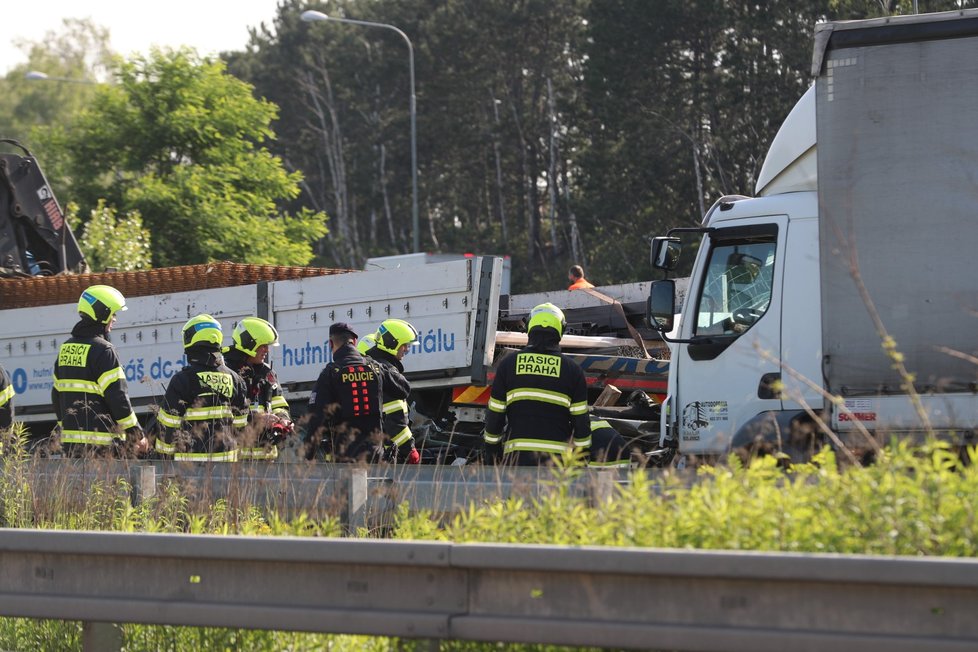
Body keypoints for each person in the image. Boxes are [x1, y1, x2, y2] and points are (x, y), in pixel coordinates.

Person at [483, 303, 591, 465]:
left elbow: (495, 416)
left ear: (529, 328)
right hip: (556, 464)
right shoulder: (572, 370)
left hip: (517, 461)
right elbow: (581, 422)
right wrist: (581, 462)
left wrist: (492, 454)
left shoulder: (509, 365)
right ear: (561, 330)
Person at [51, 285, 148, 457]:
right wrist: (136, 434)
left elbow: (56, 394)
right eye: (113, 314)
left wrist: (65, 426)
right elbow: (118, 397)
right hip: (102, 448)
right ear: (102, 314)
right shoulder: (104, 350)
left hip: (71, 447)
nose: (115, 319)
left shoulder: (65, 348)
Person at [153, 314, 248, 462]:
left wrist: (162, 459)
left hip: (190, 468)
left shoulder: (183, 379)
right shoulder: (236, 379)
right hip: (227, 466)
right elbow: (241, 425)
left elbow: (168, 425)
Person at [302, 322, 386, 462]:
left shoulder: (331, 373)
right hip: (376, 454)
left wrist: (308, 454)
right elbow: (402, 389)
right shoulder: (375, 367)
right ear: (355, 342)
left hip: (346, 456)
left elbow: (317, 417)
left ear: (330, 343)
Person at [223, 317, 293, 461]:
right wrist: (257, 419)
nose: (266, 350)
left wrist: (283, 419)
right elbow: (223, 414)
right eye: (263, 345)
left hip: (266, 460)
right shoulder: (227, 373)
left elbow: (279, 403)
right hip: (236, 461)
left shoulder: (268, 373)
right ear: (248, 343)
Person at [364, 319, 421, 464]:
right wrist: (410, 450)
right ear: (392, 343)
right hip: (385, 454)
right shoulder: (387, 375)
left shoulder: (372, 366)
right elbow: (395, 421)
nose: (407, 350)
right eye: (405, 345)